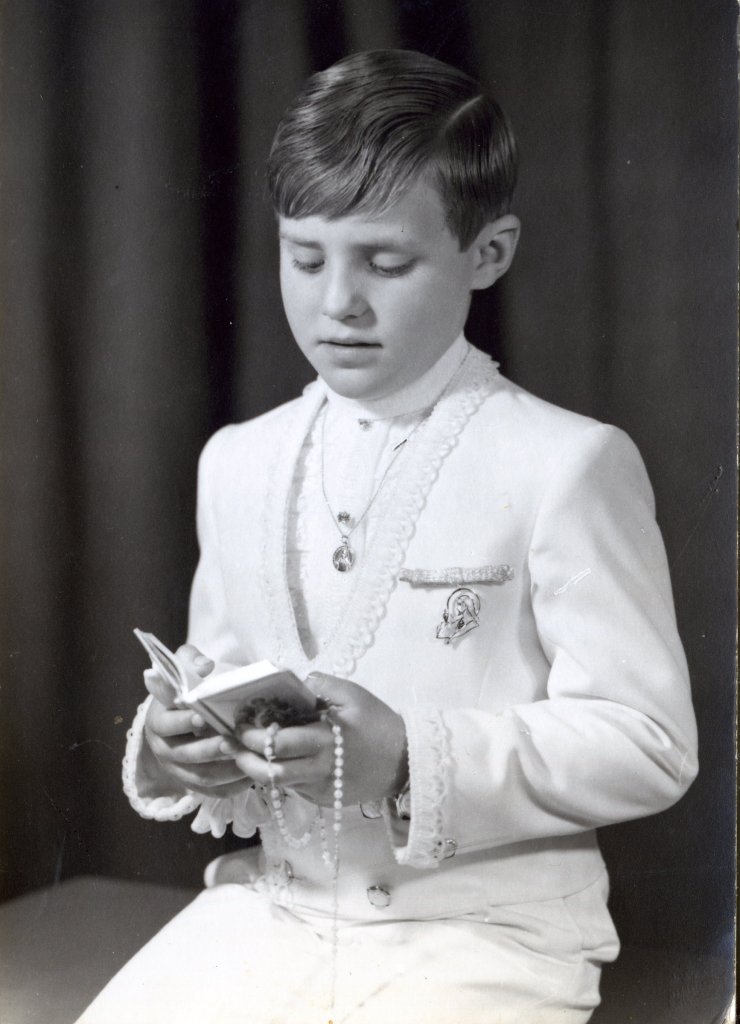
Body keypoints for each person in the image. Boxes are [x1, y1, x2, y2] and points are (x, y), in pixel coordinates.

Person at [78, 50, 698, 1024]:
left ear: (487, 253)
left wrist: (413, 755)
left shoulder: (565, 461)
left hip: (487, 933)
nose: (337, 303)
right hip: (274, 911)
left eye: (386, 262)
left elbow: (650, 742)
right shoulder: (236, 460)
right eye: (305, 257)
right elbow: (221, 673)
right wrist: (178, 745)